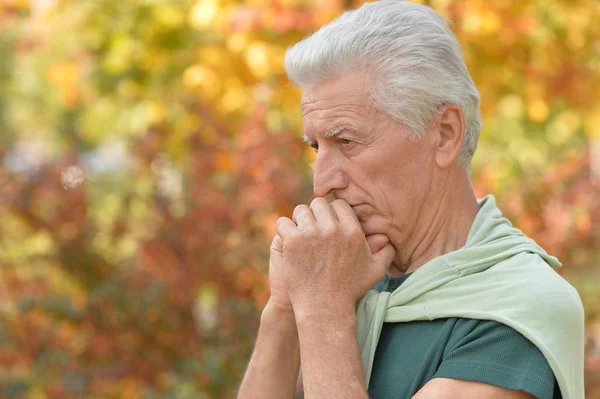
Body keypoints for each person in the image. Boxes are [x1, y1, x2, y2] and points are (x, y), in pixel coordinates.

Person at [237, 1, 584, 398]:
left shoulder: (522, 308)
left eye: (346, 141)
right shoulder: (343, 275)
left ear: (445, 134)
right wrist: (284, 306)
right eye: (318, 146)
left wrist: (320, 310)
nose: (322, 183)